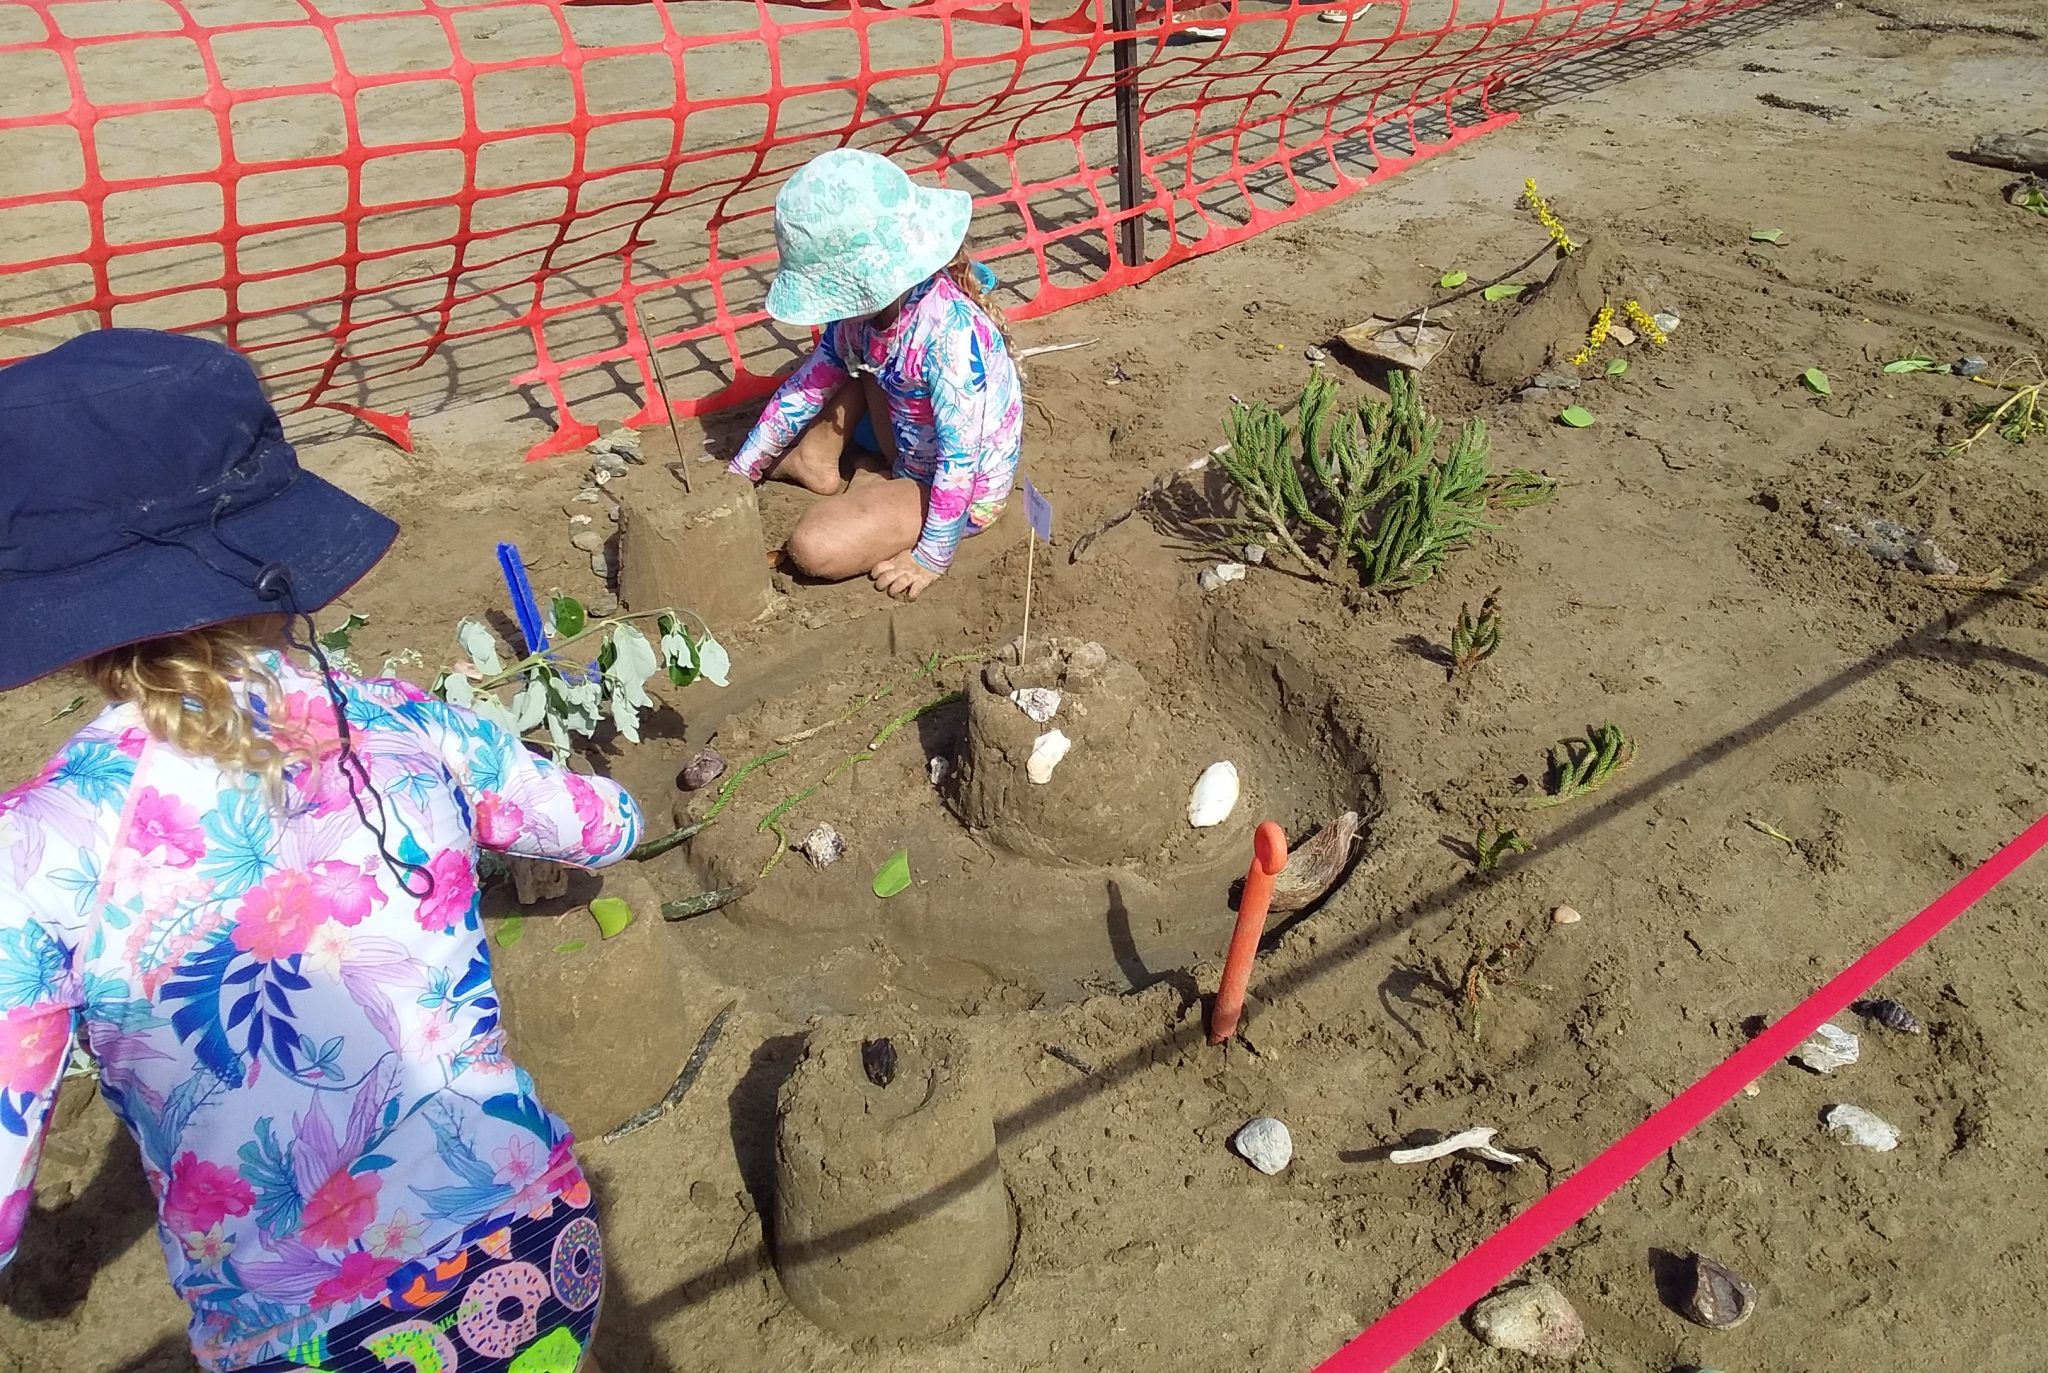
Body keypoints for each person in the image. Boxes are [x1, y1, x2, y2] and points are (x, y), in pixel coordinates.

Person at [0, 330, 639, 1373]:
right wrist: (616, 813)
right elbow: (598, 820)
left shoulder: (36, 849)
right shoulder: (402, 719)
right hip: (538, 1251)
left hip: (304, 1337)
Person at [726, 148, 1023, 603]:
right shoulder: (863, 320)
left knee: (813, 546)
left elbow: (960, 461)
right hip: (906, 441)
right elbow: (804, 390)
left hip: (957, 489)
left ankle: (878, 483)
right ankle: (833, 466)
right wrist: (742, 471)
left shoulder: (950, 335)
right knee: (841, 364)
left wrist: (930, 558)